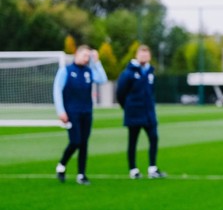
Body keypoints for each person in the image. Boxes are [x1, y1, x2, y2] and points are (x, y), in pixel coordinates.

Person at [53, 45, 108, 185]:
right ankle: (62, 165)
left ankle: (81, 174)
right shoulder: (66, 70)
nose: (86, 58)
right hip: (72, 113)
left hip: (86, 112)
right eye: (84, 55)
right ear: (76, 54)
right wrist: (60, 111)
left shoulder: (89, 71)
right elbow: (57, 90)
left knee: (84, 143)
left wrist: (97, 62)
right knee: (75, 141)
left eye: (88, 56)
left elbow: (102, 79)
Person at [117, 45, 166, 179]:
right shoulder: (128, 73)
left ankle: (152, 168)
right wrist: (127, 106)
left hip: (148, 112)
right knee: (133, 141)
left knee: (154, 138)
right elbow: (120, 93)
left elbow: (151, 91)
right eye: (142, 54)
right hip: (134, 112)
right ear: (136, 55)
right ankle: (133, 169)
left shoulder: (150, 72)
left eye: (146, 54)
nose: (144, 57)